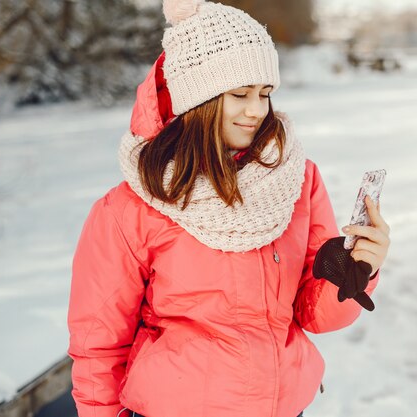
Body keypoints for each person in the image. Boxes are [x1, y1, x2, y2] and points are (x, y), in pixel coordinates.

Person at [66, 1, 391, 416]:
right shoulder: (129, 209)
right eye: (239, 94)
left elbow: (314, 316)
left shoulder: (297, 180)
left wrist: (359, 269)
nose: (256, 110)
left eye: (265, 94)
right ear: (195, 99)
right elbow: (98, 350)